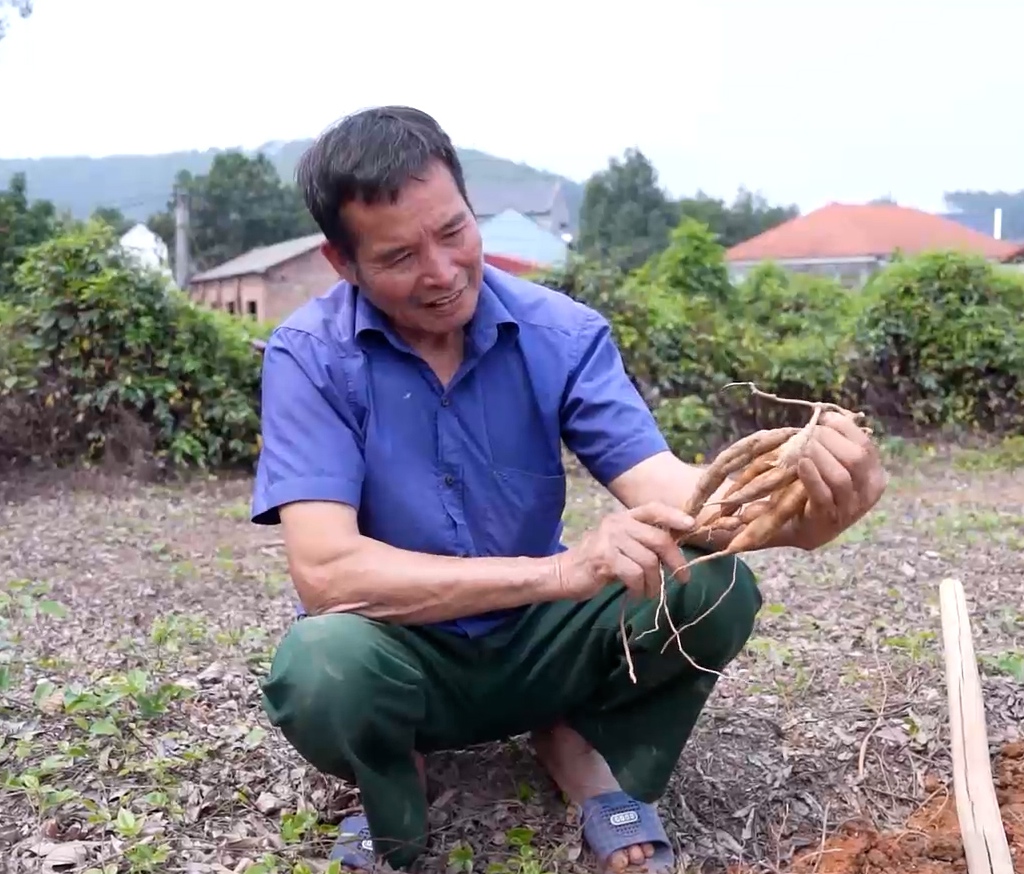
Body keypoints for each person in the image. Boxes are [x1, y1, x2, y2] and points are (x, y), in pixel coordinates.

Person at [250, 105, 888, 872]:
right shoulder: (309, 357)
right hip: (400, 650)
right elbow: (326, 574)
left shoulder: (561, 333)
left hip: (535, 638)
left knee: (712, 585)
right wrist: (561, 571)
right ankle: (394, 775)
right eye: (398, 256)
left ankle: (579, 744)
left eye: (453, 232)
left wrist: (801, 512)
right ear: (341, 262)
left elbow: (678, 498)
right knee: (323, 666)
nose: (443, 273)